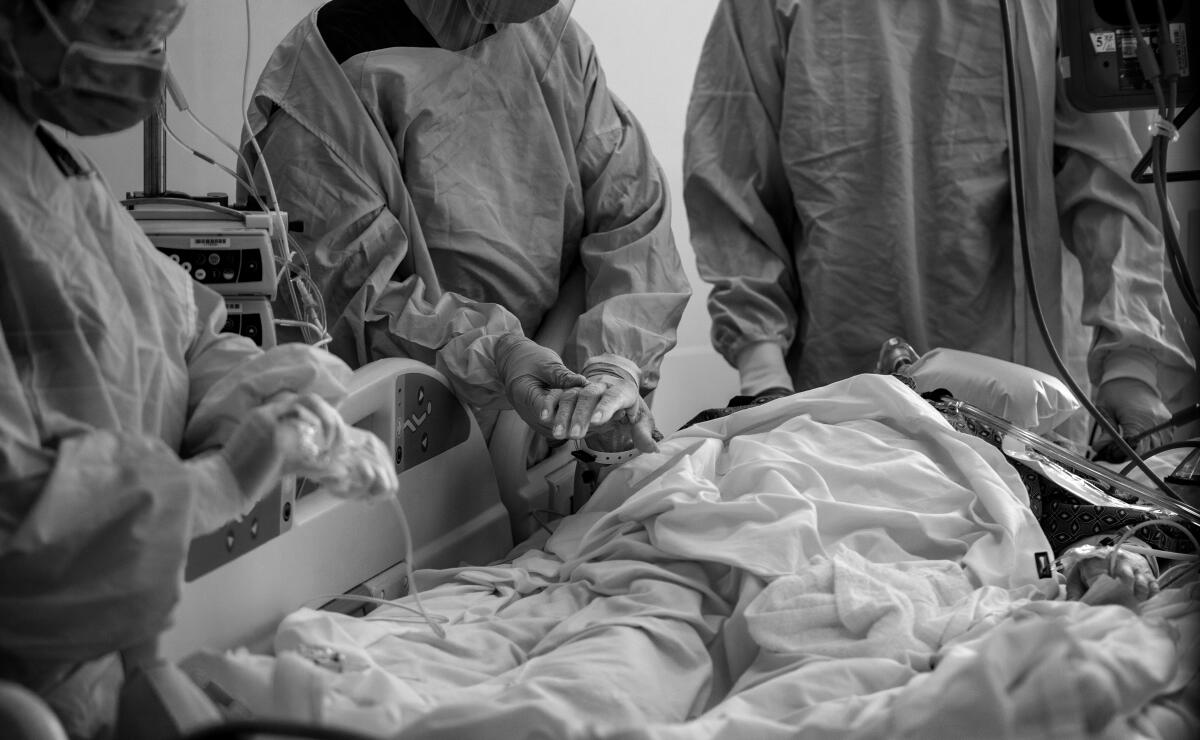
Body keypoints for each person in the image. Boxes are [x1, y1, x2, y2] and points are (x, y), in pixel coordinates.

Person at [0, 0, 403, 735]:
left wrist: (273, 404)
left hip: (105, 656)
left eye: (160, 33)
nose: (152, 64)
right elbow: (15, 522)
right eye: (126, 34)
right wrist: (214, 484)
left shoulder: (45, 158)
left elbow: (180, 328)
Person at [682, 0, 1194, 452]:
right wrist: (763, 372)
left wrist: (1131, 367)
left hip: (1028, 403)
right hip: (840, 392)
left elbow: (1110, 181)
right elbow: (733, 177)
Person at [240, 0, 691, 456]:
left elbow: (633, 219)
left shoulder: (552, 43)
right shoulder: (334, 76)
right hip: (412, 448)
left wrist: (615, 364)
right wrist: (498, 355)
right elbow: (347, 299)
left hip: (553, 438)